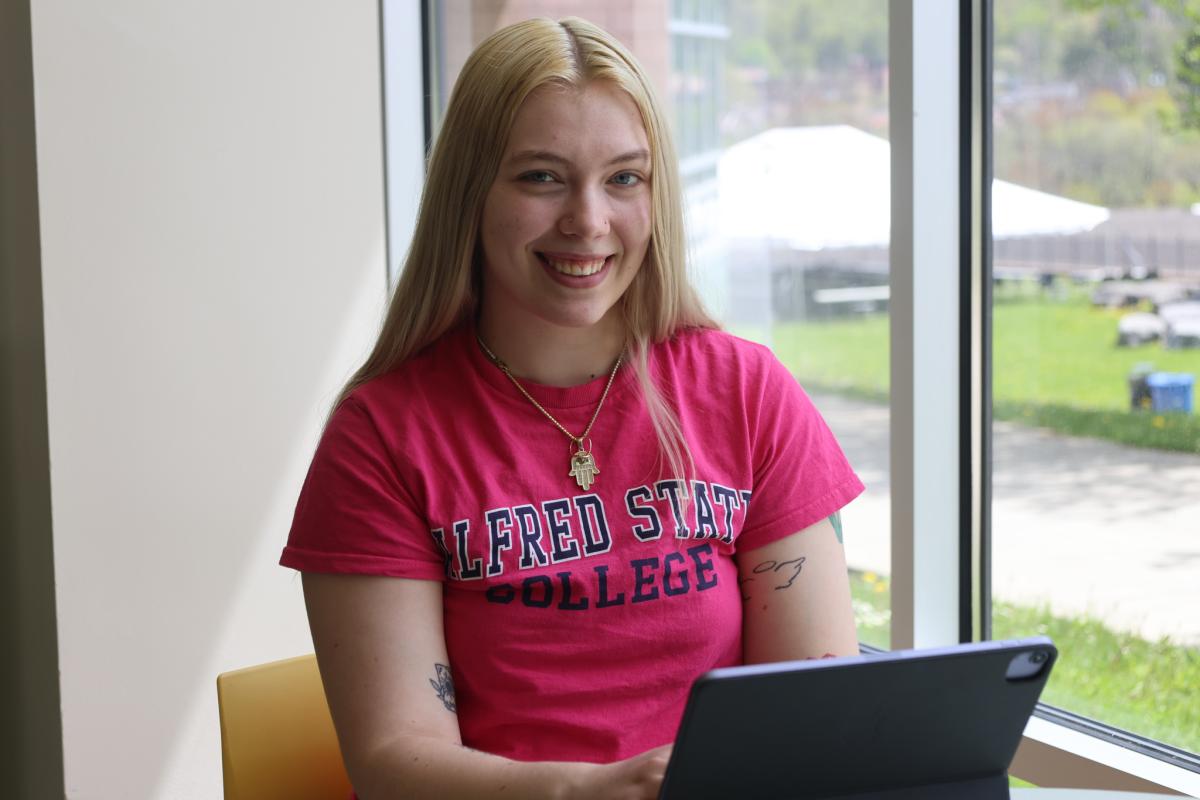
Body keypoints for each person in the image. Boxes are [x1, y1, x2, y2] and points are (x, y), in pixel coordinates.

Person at [281, 16, 864, 800]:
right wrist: (588, 790)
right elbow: (392, 760)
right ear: (469, 194)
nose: (587, 221)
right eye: (541, 177)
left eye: (624, 179)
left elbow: (815, 709)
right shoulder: (381, 434)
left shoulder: (746, 392)